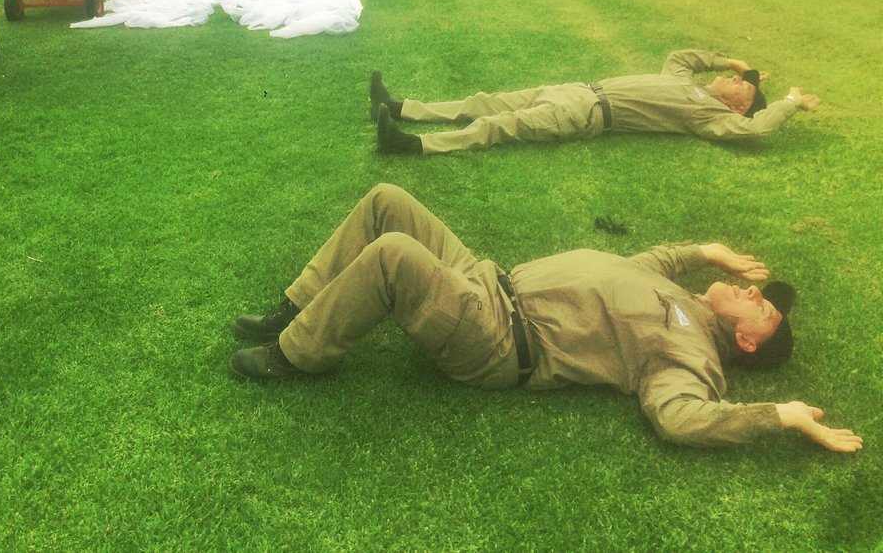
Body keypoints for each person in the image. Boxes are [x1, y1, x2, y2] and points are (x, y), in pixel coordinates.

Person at [229, 183, 862, 452]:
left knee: (393, 257)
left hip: (498, 337)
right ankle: (298, 305)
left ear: (748, 343)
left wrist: (779, 416)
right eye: (760, 293)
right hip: (487, 279)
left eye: (764, 311)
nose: (754, 295)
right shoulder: (681, 297)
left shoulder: (691, 356)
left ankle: (296, 354)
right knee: (388, 202)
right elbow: (649, 259)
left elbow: (680, 420)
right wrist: (706, 251)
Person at [371, 50, 820, 155]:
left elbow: (755, 130)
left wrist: (790, 101)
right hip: (575, 89)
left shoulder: (704, 114)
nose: (730, 79)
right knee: (484, 102)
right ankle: (403, 108)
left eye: (740, 85)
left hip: (584, 114)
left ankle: (410, 144)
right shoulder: (684, 82)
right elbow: (682, 56)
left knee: (497, 127)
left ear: (740, 106)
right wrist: (735, 61)